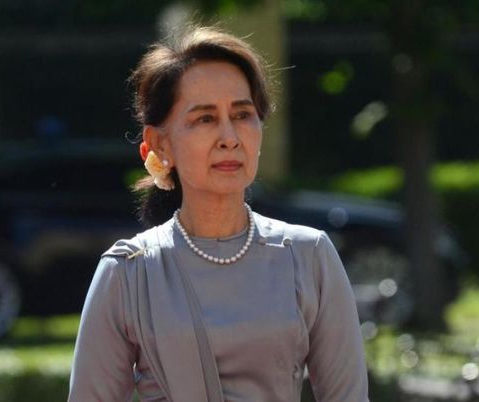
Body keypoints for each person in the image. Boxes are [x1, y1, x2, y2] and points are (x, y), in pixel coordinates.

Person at [68, 26, 369, 402]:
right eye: (205, 119)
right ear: (159, 144)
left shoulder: (308, 257)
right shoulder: (128, 273)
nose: (229, 137)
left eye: (242, 115)